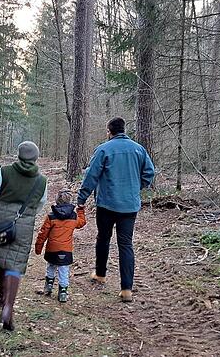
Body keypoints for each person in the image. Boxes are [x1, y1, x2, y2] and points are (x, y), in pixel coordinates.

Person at [77, 117, 155, 303]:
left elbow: (91, 176)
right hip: (130, 205)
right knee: (126, 244)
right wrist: (136, 187)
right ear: (124, 129)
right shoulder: (139, 149)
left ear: (109, 131)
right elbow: (149, 173)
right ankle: (127, 289)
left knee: (103, 238)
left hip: (107, 204)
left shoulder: (104, 149)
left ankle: (101, 274)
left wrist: (81, 199)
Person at [0, 141, 48, 331]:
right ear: (36, 158)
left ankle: (1, 297)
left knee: (0, 260)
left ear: (18, 155)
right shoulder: (42, 181)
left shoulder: (4, 172)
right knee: (14, 265)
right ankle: (9, 306)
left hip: (0, 220)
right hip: (23, 224)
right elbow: (40, 204)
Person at [34, 190, 87, 303]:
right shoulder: (73, 217)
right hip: (66, 251)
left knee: (51, 267)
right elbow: (81, 223)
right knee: (64, 271)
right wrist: (81, 210)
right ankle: (63, 292)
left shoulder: (51, 216)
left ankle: (48, 287)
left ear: (57, 201)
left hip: (52, 249)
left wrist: (38, 248)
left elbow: (43, 233)